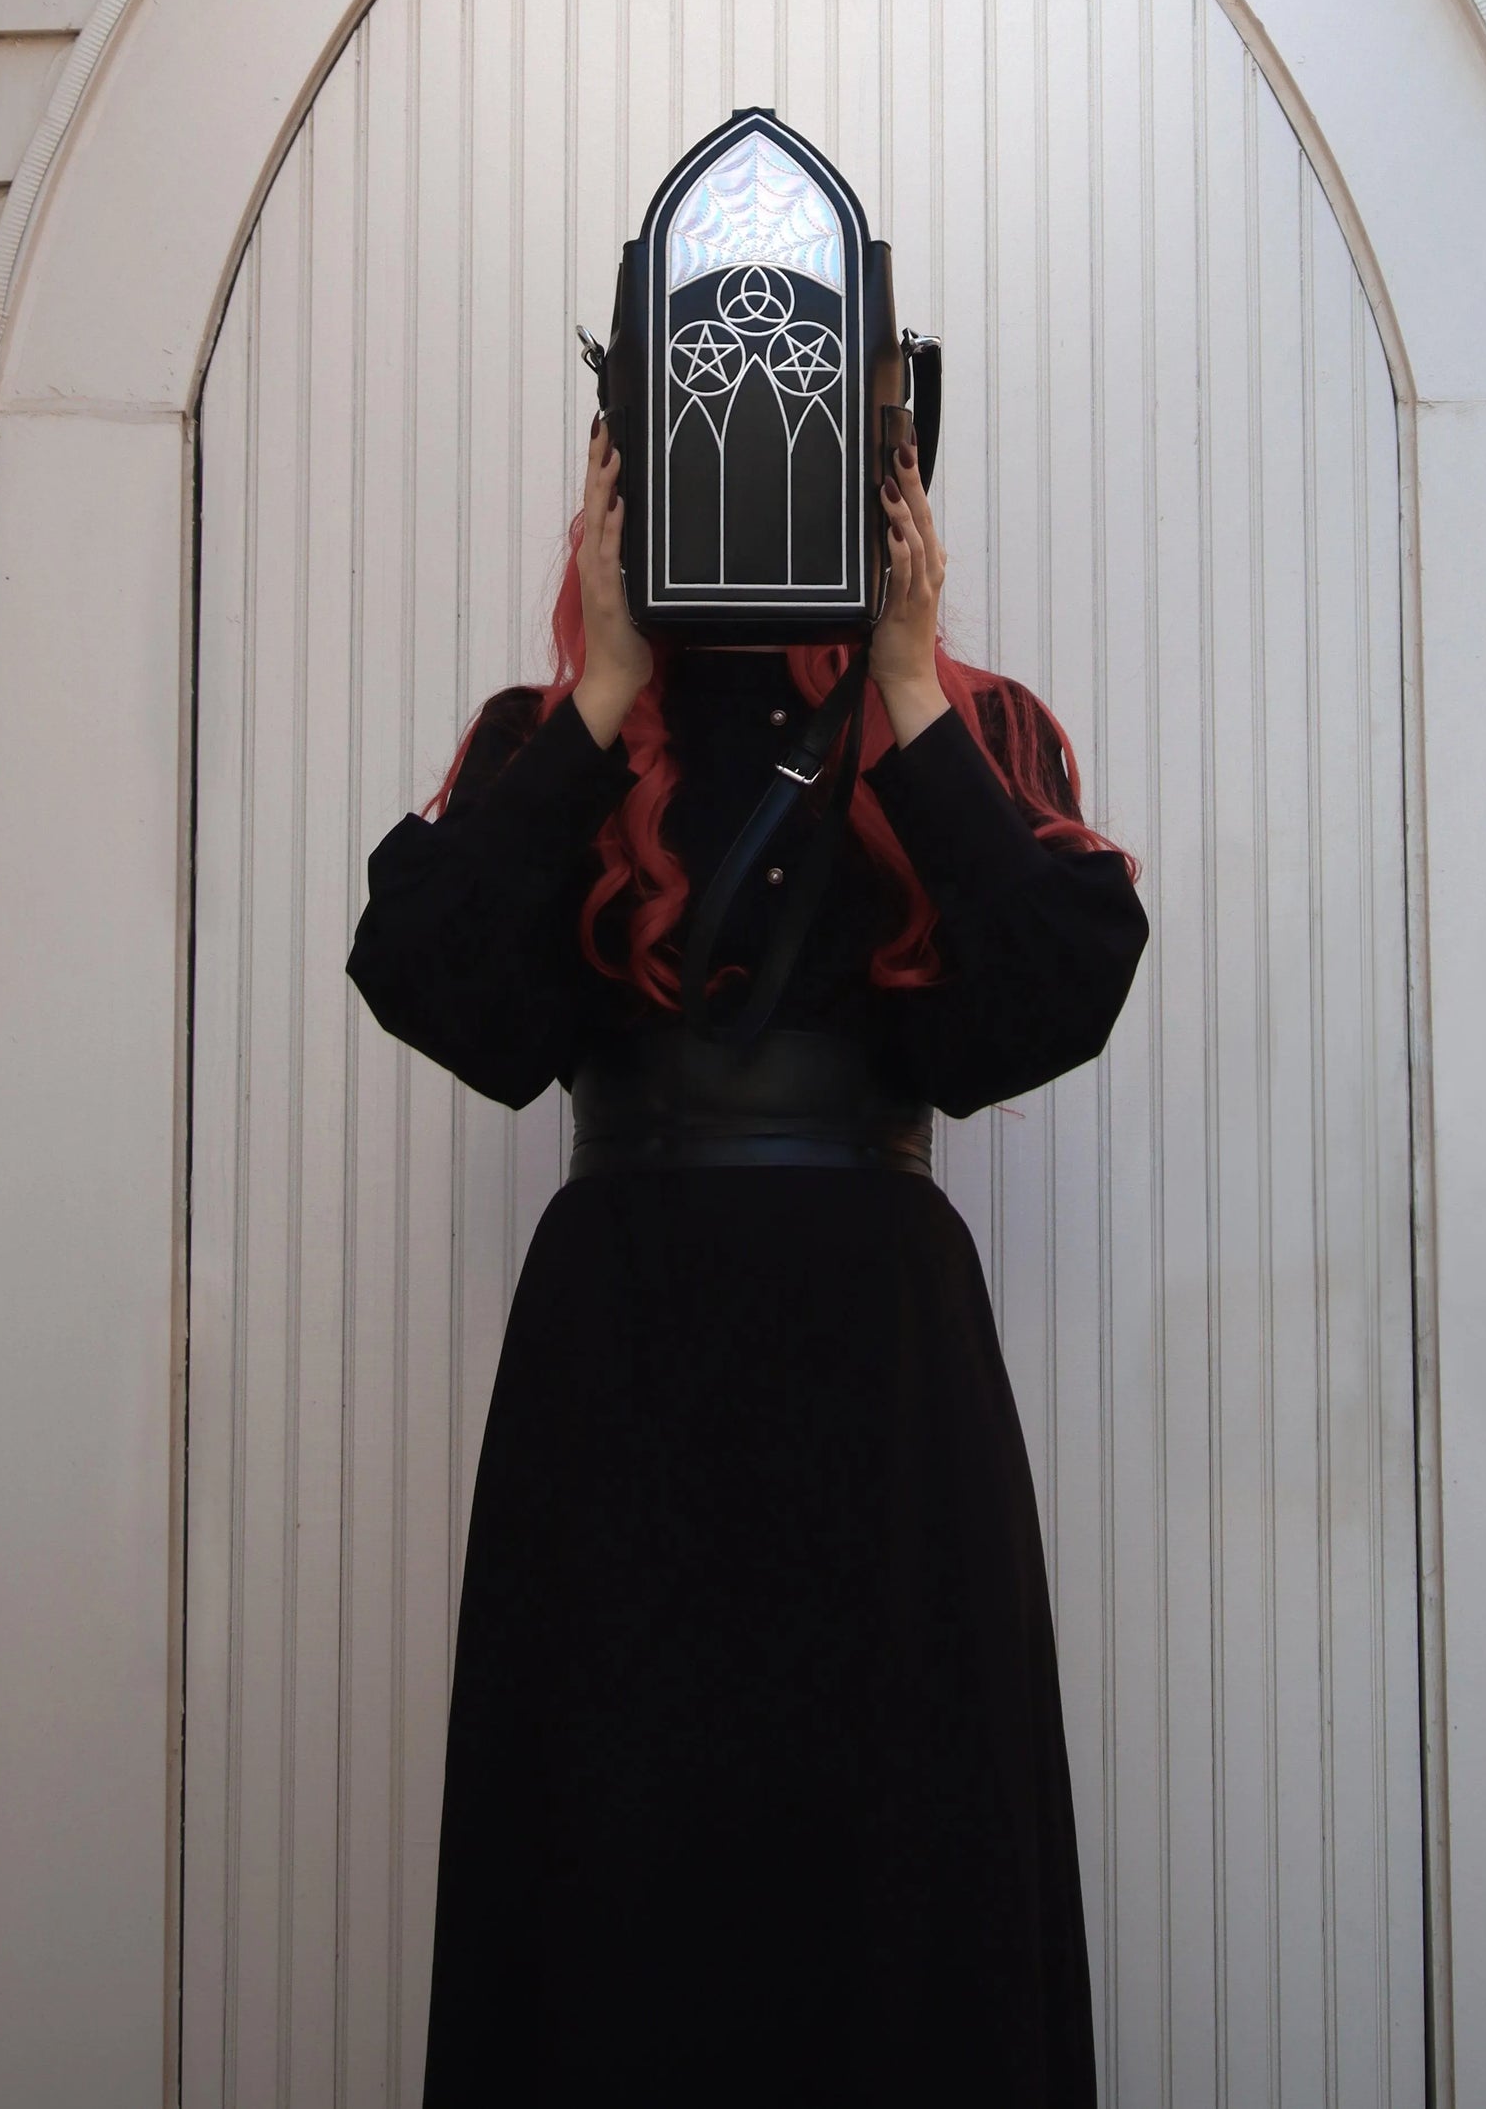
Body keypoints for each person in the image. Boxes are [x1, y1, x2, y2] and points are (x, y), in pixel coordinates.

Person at [349, 421, 1148, 2107]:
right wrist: (605, 671)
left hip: (881, 1370)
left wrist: (909, 683)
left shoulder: (977, 735)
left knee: (904, 1839)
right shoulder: (543, 744)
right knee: (608, 1832)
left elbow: (1047, 1003)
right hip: (622, 1363)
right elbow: (427, 979)